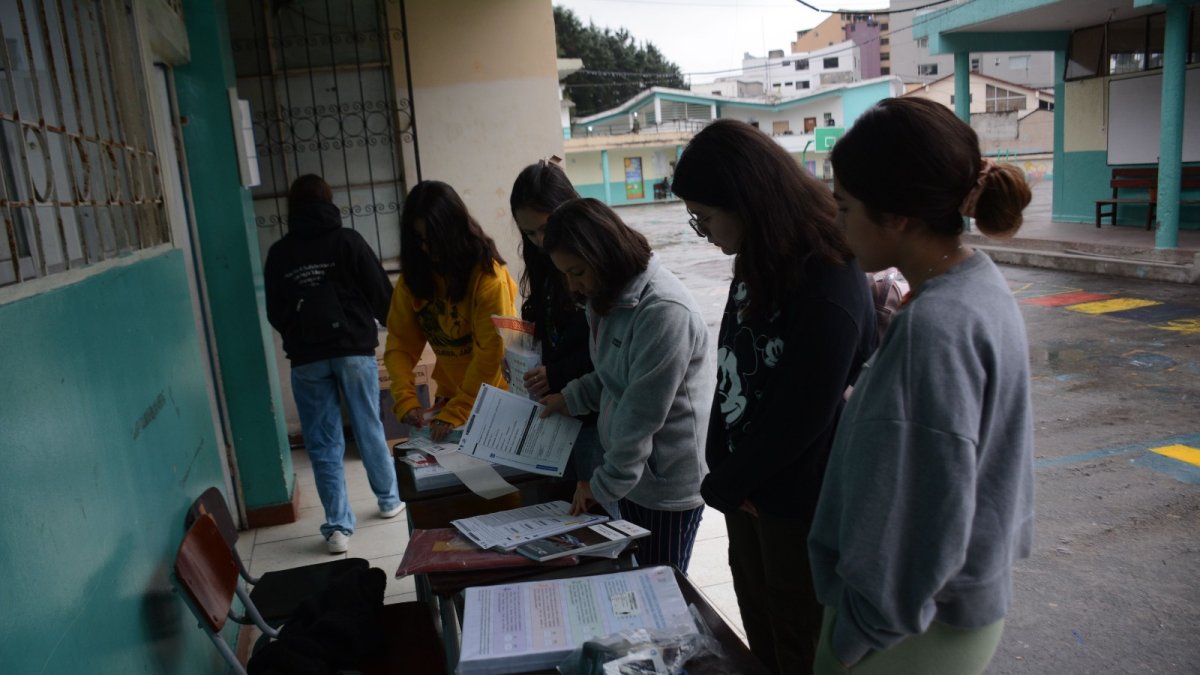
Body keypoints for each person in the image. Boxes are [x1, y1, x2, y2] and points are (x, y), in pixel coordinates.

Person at [808, 97, 1034, 674]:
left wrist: (855, 637)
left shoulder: (935, 329)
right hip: (946, 610)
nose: (836, 224)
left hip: (908, 629)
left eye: (844, 207)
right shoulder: (974, 284)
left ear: (899, 216)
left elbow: (915, 516)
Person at [670, 119, 877, 675]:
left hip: (798, 506)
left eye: (706, 217)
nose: (703, 230)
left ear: (747, 199)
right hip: (751, 497)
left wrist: (732, 481)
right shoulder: (760, 258)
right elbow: (733, 369)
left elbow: (805, 409)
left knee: (799, 641)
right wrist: (724, 470)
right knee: (761, 633)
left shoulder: (828, 272)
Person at [539, 198, 714, 572]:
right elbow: (611, 377)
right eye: (565, 275)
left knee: (661, 583)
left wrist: (599, 485)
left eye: (578, 272)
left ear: (603, 255)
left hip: (666, 482)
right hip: (632, 472)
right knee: (636, 575)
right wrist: (569, 398)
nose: (573, 286)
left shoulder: (663, 310)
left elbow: (641, 412)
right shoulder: (606, 297)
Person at [263, 174, 402, 555]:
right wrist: (389, 328)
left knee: (323, 442)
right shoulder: (347, 241)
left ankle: (338, 527)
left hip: (307, 357)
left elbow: (275, 310)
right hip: (354, 349)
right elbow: (380, 292)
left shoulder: (280, 253)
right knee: (368, 424)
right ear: (329, 201)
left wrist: (299, 331)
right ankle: (389, 500)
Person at [509, 159, 614, 515]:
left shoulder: (594, 259)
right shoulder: (543, 263)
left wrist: (556, 373)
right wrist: (522, 357)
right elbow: (545, 327)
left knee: (599, 518)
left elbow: (606, 353)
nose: (540, 241)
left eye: (544, 228)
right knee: (558, 512)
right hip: (556, 413)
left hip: (594, 417)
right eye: (530, 234)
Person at [385, 180, 518, 441]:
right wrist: (406, 397)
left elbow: (491, 352)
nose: (428, 249)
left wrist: (461, 407)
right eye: (420, 240)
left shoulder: (488, 277)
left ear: (455, 231)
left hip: (497, 398)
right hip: (451, 401)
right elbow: (401, 342)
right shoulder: (414, 279)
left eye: (435, 240)